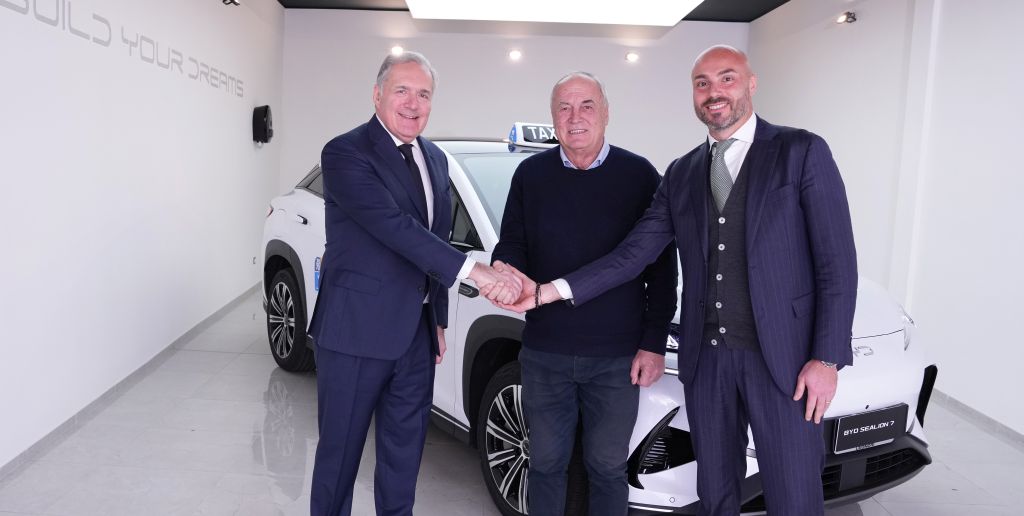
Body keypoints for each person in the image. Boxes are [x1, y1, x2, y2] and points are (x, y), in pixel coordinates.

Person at [490, 46, 858, 515]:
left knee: (793, 494)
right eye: (702, 83)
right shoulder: (682, 173)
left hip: (784, 361)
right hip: (709, 362)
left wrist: (826, 357)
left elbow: (836, 264)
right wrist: (547, 292)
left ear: (751, 83)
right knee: (715, 493)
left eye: (726, 78)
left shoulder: (800, 151)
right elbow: (633, 255)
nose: (714, 92)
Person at [307, 51, 521, 516]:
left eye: (423, 94)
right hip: (355, 333)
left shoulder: (436, 159)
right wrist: (476, 272)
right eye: (401, 90)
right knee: (339, 458)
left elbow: (435, 239)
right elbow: (394, 228)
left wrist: (437, 317)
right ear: (377, 94)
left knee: (403, 461)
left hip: (416, 337)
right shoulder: (345, 152)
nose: (413, 103)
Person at [490, 71, 677, 516]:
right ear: (553, 117)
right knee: (545, 464)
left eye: (586, 106)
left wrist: (653, 342)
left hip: (616, 358)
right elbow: (513, 242)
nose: (575, 117)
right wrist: (503, 268)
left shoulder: (639, 175)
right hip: (545, 352)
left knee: (608, 467)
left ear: (606, 113)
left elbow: (661, 267)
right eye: (564, 107)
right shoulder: (530, 174)